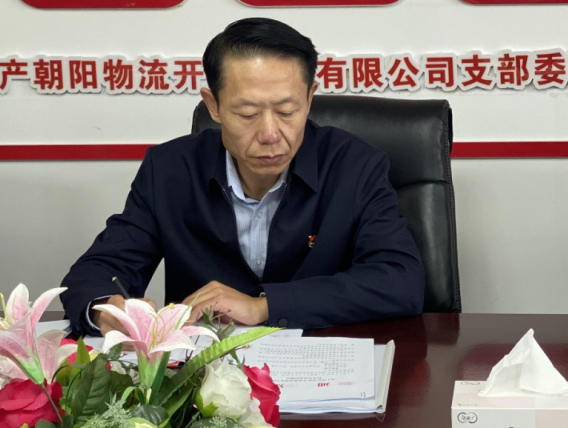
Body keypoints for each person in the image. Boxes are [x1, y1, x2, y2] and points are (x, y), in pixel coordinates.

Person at [61, 17, 424, 337]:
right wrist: (105, 308)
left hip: (325, 369)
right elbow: (97, 270)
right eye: (247, 114)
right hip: (205, 378)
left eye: (287, 111)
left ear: (310, 98)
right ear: (213, 105)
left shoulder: (354, 165)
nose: (270, 134)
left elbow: (400, 280)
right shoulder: (170, 170)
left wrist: (264, 305)